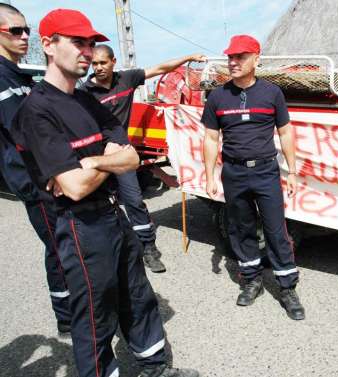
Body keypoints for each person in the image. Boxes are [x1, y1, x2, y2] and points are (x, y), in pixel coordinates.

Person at [11, 9, 199, 377]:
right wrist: (105, 160)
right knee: (97, 315)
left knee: (137, 295)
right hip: (81, 226)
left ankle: (155, 367)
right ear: (48, 45)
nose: (87, 51)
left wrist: (92, 163)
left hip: (114, 213)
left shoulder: (85, 101)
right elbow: (74, 187)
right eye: (78, 42)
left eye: (92, 43)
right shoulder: (36, 109)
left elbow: (129, 155)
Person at [202, 35, 305, 320]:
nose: (233, 62)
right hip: (233, 172)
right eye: (230, 57)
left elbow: (285, 132)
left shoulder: (272, 93)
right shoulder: (218, 96)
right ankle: (252, 280)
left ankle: (287, 287)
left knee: (275, 230)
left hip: (265, 171)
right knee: (240, 228)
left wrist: (293, 172)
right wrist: (210, 175)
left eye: (240, 57)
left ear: (256, 59)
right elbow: (211, 138)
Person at [81, 45, 206, 273]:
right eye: (94, 64)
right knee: (100, 204)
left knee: (133, 200)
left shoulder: (126, 79)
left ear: (113, 62)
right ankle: (111, 251)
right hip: (97, 156)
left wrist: (188, 56)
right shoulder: (85, 92)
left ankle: (148, 248)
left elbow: (159, 68)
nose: (98, 68)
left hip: (122, 153)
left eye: (103, 63)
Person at [0, 3, 71, 335]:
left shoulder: (22, 75)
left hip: (51, 176)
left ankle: (76, 308)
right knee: (58, 247)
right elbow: (23, 132)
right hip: (34, 181)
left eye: (27, 29)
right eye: (16, 30)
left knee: (67, 243)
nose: (25, 36)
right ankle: (67, 318)